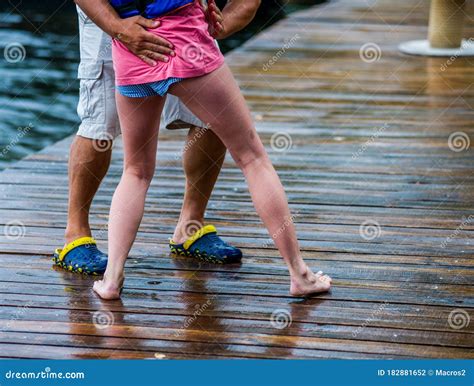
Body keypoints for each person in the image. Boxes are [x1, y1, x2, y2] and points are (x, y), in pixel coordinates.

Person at [92, 0, 332, 300]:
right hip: (186, 40)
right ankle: (300, 274)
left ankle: (112, 279)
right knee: (252, 157)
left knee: (136, 171)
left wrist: (116, 27)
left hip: (132, 47)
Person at [53, 0, 262, 274]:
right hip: (106, 12)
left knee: (214, 116)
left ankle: (190, 227)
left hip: (183, 14)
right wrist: (117, 27)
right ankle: (76, 234)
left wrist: (217, 28)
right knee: (100, 123)